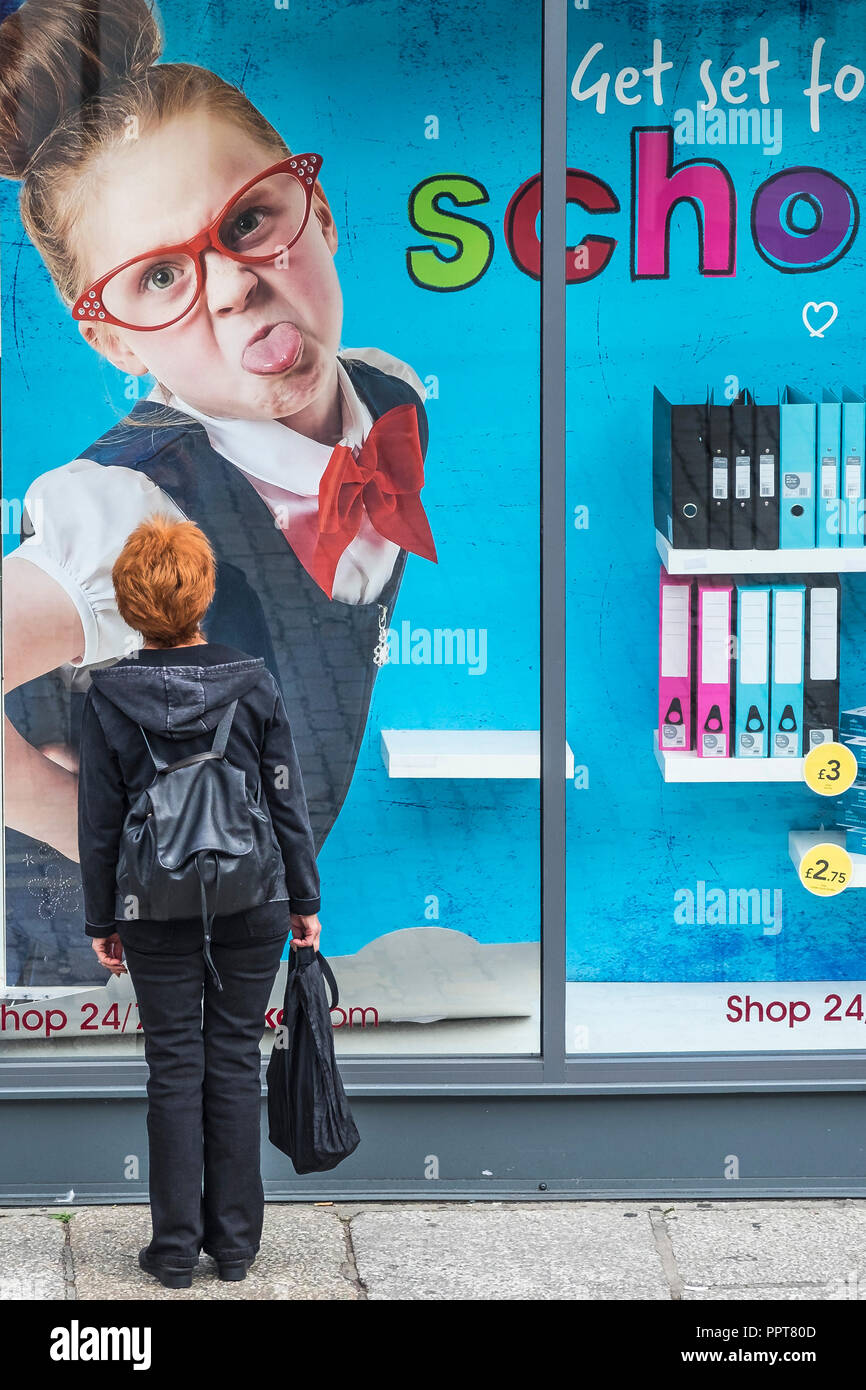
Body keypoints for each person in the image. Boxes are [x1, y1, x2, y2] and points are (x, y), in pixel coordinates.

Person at [0, 0, 436, 987]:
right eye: (159, 277)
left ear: (316, 212)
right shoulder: (131, 509)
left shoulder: (388, 397)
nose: (233, 284)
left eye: (248, 222)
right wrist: (81, 825)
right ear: (113, 341)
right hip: (74, 973)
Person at [77, 513, 322, 1288]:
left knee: (173, 1066)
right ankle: (237, 1248)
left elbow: (100, 825)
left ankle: (175, 1250)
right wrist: (304, 900)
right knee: (234, 1063)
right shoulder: (252, 683)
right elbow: (287, 803)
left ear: (130, 604)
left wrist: (101, 920)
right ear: (204, 593)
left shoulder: (106, 694)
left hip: (153, 908)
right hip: (252, 902)